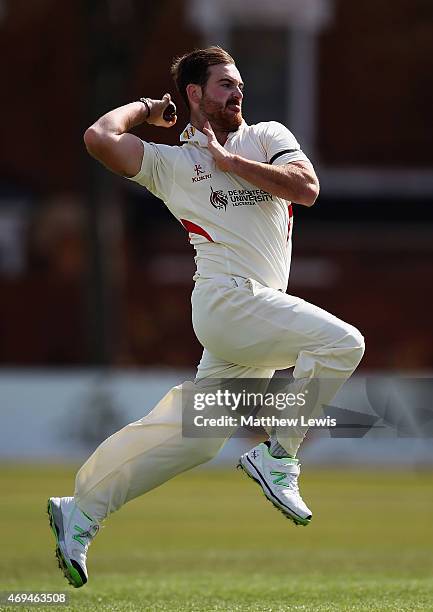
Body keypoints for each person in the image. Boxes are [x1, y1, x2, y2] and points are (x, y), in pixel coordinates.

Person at [47, 46, 364, 588]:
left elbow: (306, 189)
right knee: (344, 344)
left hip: (253, 313)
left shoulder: (266, 136)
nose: (237, 93)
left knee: (200, 436)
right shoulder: (173, 165)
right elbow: (98, 139)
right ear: (194, 94)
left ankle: (81, 508)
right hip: (225, 301)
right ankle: (280, 456)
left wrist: (232, 163)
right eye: (223, 85)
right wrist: (147, 109)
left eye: (239, 84)